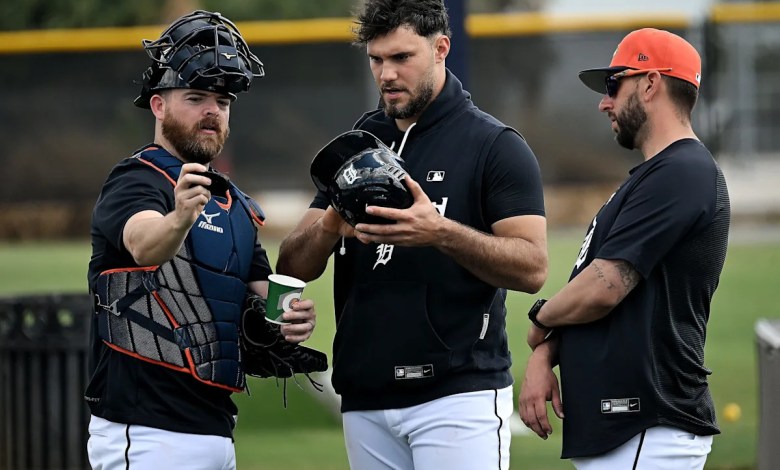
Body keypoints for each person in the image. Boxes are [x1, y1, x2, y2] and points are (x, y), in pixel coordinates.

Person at [276, 0, 547, 468]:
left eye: (402, 58)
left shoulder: (494, 145)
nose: (386, 74)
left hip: (457, 396)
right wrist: (329, 225)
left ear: (441, 48)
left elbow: (533, 268)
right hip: (365, 396)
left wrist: (439, 232)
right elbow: (291, 265)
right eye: (376, 60)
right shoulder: (360, 140)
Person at [85, 11, 317, 469]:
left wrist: (291, 315)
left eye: (223, 100)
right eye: (195, 96)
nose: (212, 110)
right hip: (146, 432)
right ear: (158, 105)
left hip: (217, 430)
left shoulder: (237, 205)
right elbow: (144, 245)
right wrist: (180, 219)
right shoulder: (136, 181)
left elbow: (261, 290)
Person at [518, 28, 731, 469]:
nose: (604, 102)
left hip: (647, 426)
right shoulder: (656, 175)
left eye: (615, 86)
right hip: (631, 431)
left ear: (651, 84)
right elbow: (602, 293)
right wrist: (548, 352)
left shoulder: (683, 171)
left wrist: (540, 319)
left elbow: (605, 286)